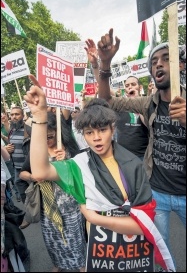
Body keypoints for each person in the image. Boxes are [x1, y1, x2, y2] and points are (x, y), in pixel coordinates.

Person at [23, 75, 175, 272]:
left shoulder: (133, 165)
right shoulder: (79, 165)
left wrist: (96, 219)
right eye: (89, 133)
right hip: (100, 256)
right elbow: (40, 170)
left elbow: (143, 225)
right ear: (83, 135)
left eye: (102, 130)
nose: (96, 138)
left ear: (112, 129)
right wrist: (40, 115)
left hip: (133, 254)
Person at [96, 28, 186, 268]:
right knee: (160, 251)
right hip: (158, 192)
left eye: (167, 59)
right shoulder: (148, 103)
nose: (159, 65)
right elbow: (108, 100)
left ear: (182, 66)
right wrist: (105, 64)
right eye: (154, 61)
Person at [19, 111, 86, 272]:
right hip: (47, 207)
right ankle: (58, 264)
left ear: (57, 132)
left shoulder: (68, 148)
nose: (47, 140)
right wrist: (34, 176)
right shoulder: (37, 152)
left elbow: (82, 172)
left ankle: (82, 266)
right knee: (52, 240)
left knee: (75, 241)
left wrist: (68, 161)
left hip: (70, 206)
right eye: (43, 137)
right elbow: (22, 173)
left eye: (50, 136)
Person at [85, 39, 149, 160]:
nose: (130, 87)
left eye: (133, 85)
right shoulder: (120, 103)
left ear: (140, 87)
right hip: (122, 156)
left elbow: (148, 124)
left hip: (142, 157)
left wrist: (139, 104)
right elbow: (102, 84)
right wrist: (95, 64)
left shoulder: (147, 103)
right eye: (127, 85)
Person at [5, 106, 31, 229]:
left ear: (22, 115)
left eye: (17, 114)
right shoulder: (12, 130)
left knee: (39, 192)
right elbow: (12, 146)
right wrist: (8, 149)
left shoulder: (29, 130)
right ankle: (30, 215)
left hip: (29, 168)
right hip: (17, 168)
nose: (14, 117)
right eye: (12, 114)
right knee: (22, 192)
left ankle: (42, 215)